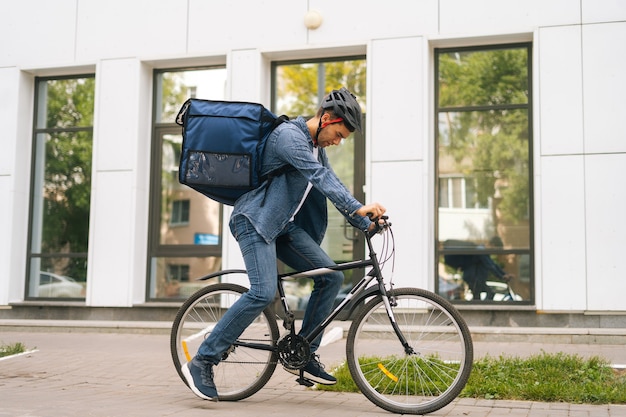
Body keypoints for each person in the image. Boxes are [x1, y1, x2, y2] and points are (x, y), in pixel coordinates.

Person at [182, 87, 386, 401]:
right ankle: (203, 359)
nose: (338, 140)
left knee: (330, 276)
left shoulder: (317, 148)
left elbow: (332, 186)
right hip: (254, 221)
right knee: (262, 291)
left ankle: (302, 355)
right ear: (326, 119)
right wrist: (358, 207)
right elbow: (319, 178)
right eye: (339, 134)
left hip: (281, 227)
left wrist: (365, 222)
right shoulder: (289, 137)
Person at [444, 237, 513, 300]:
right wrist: (502, 276)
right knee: (487, 295)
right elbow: (490, 265)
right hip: (474, 279)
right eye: (494, 249)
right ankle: (483, 312)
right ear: (492, 245)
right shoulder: (481, 251)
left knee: (478, 298)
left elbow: (493, 264)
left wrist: (504, 274)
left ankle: (481, 311)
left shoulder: (482, 251)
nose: (494, 252)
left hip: (475, 279)